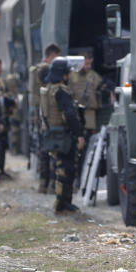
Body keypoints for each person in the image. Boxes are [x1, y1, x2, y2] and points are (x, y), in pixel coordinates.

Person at [40, 57, 85, 213]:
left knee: (62, 167)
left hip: (53, 133)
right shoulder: (61, 91)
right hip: (63, 135)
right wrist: (79, 134)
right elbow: (70, 115)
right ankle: (62, 204)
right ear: (63, 74)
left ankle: (63, 202)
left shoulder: (48, 89)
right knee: (66, 169)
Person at [29, 44, 61, 193]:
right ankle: (49, 184)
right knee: (49, 148)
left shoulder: (39, 70)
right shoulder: (43, 69)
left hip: (44, 112)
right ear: (48, 57)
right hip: (44, 114)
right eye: (55, 58)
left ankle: (46, 184)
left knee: (46, 148)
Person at [68, 51, 104, 136]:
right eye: (86, 64)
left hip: (89, 112)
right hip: (75, 112)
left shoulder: (93, 76)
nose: (89, 66)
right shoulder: (71, 75)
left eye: (90, 64)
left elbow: (102, 87)